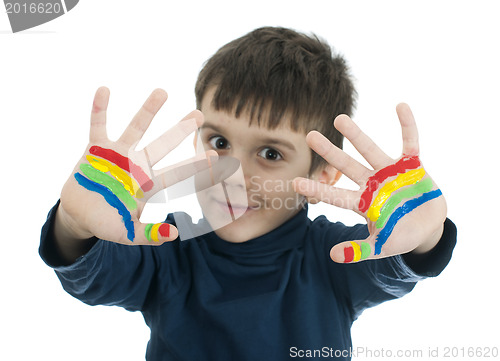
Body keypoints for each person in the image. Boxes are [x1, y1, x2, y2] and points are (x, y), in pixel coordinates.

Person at [39, 27, 456, 360]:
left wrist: (425, 236)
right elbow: (91, 277)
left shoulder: (336, 258)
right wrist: (73, 225)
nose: (232, 174)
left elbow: (393, 265)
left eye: (271, 153)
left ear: (324, 174)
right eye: (219, 142)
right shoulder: (167, 248)